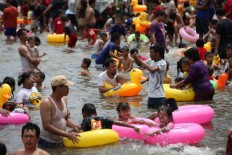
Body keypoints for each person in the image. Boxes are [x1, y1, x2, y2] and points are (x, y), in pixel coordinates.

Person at [39, 75, 80, 148]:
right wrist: (66, 134)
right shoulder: (46, 102)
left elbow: (65, 119)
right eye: (66, 87)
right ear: (58, 87)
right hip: (46, 142)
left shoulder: (64, 99)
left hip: (60, 141)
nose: (68, 89)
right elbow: (46, 126)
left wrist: (74, 126)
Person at [133, 43, 167, 109]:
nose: (149, 54)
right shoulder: (151, 61)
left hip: (159, 97)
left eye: (151, 52)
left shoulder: (163, 63)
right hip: (150, 97)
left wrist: (140, 60)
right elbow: (140, 64)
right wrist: (136, 58)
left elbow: (152, 69)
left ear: (157, 54)